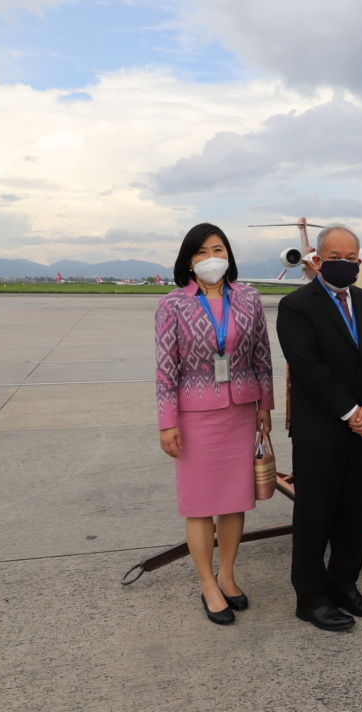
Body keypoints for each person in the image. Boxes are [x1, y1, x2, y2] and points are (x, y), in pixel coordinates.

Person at [155, 223, 274, 625]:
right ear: (189, 260)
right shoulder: (172, 304)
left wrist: (265, 406)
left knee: (235, 499)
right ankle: (207, 583)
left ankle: (228, 574)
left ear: (229, 255)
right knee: (201, 503)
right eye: (202, 252)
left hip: (241, 410)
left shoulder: (250, 299)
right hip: (194, 416)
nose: (211, 258)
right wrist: (167, 422)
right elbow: (166, 370)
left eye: (218, 249)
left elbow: (262, 355)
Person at [276, 223, 362, 632]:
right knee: (315, 517)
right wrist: (351, 412)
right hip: (322, 432)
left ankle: (344, 584)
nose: (343, 264)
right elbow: (309, 369)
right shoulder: (297, 306)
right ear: (319, 260)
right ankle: (311, 599)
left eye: (350, 258)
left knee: (353, 513)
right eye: (335, 258)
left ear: (359, 262)